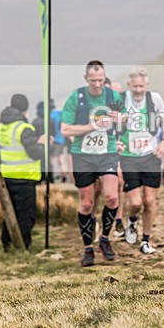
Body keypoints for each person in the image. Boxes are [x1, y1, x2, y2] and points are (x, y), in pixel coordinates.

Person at [60, 60, 123, 267]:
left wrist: (120, 120)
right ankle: (88, 248)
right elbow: (65, 130)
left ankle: (105, 239)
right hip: (83, 154)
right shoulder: (76, 97)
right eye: (93, 80)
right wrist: (92, 126)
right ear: (86, 78)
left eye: (101, 80)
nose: (97, 84)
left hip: (107, 152)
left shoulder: (113, 96)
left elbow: (126, 120)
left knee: (112, 198)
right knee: (86, 203)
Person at [117, 67, 164, 254]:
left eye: (141, 86)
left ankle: (146, 240)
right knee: (135, 203)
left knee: (149, 200)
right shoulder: (120, 100)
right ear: (129, 85)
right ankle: (132, 221)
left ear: (147, 84)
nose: (138, 90)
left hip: (150, 154)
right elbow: (108, 124)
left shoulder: (154, 99)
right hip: (128, 156)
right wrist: (115, 141)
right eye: (135, 87)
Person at [0, 94, 46, 251]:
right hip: (24, 176)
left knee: (10, 211)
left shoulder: (3, 127)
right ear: (25, 109)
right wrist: (42, 144)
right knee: (26, 214)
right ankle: (23, 245)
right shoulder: (24, 128)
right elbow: (36, 153)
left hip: (8, 175)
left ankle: (6, 242)